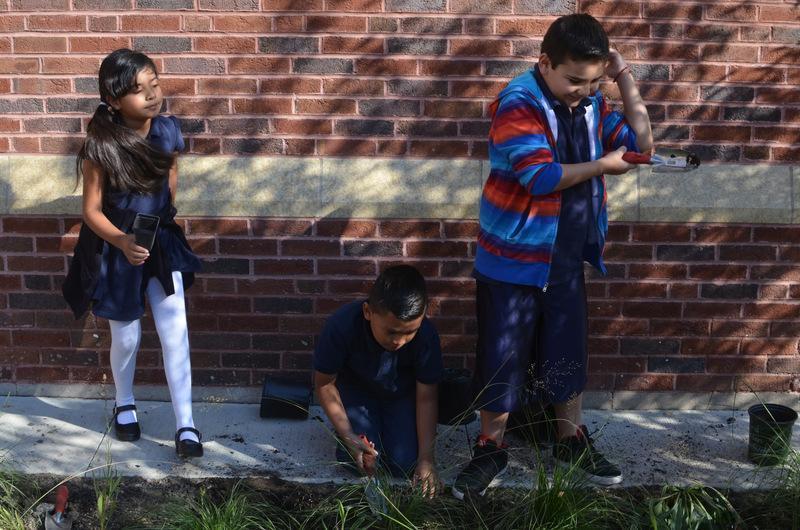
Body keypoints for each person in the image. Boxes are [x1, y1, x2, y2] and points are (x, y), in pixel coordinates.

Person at [452, 14, 654, 499]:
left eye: (593, 82)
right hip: (512, 259)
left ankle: (570, 440)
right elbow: (539, 178)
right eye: (574, 80)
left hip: (564, 258)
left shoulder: (592, 102)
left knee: (566, 352)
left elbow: (642, 145)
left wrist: (624, 77)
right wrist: (603, 166)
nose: (584, 92)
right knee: (502, 357)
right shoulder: (518, 103)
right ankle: (489, 448)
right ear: (545, 63)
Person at [62, 49, 203, 458]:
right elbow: (91, 211)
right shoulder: (101, 146)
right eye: (139, 90)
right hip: (118, 250)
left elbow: (171, 172)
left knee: (175, 331)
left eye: (154, 84)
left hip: (161, 244)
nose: (151, 95)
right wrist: (123, 241)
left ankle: (186, 423)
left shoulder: (168, 130)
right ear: (113, 99)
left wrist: (164, 212)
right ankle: (124, 402)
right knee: (127, 336)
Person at [314, 265, 443, 497]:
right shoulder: (341, 326)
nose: (400, 341)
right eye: (391, 332)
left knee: (405, 465)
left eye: (410, 332)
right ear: (368, 312)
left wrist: (427, 459)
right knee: (358, 460)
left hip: (401, 395)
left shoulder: (427, 336)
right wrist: (348, 436)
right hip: (356, 394)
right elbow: (324, 384)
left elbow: (427, 397)